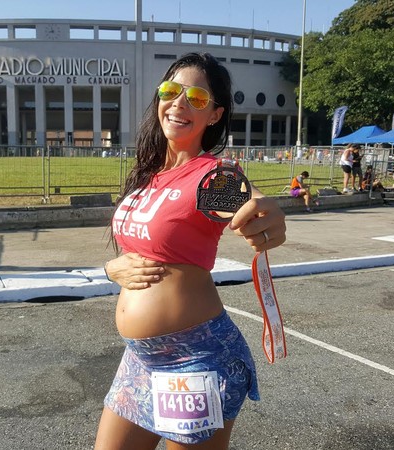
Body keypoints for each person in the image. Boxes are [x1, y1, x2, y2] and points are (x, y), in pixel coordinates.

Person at [95, 52, 286, 450]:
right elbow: (133, 250)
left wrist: (267, 216)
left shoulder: (210, 175)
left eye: (196, 98)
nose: (180, 103)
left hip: (196, 358)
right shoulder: (148, 176)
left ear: (214, 115)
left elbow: (250, 201)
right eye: (171, 91)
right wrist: (113, 268)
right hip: (141, 359)